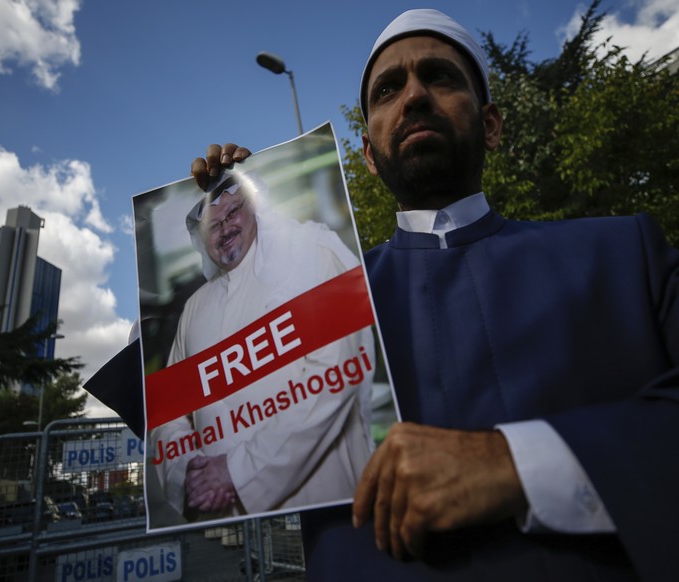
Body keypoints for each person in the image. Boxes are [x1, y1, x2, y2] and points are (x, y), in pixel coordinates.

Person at [190, 8, 679, 580]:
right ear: (369, 157)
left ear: (491, 125)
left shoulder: (625, 255)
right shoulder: (313, 294)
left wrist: (519, 466)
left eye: (440, 77)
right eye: (388, 89)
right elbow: (189, 416)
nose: (414, 95)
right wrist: (229, 252)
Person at [149, 169, 376, 524]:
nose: (225, 229)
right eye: (213, 225)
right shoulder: (193, 310)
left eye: (233, 212)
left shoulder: (311, 254)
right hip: (232, 526)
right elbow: (170, 414)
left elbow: (335, 377)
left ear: (256, 208)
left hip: (331, 506)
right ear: (200, 238)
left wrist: (237, 473)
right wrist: (188, 468)